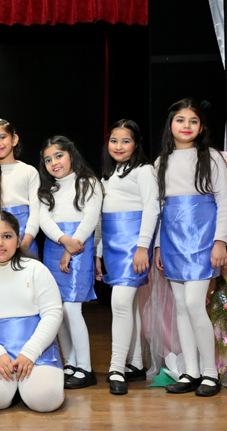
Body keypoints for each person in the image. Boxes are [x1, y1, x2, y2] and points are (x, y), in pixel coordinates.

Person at [154, 99, 227, 397]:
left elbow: (225, 201)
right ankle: (191, 371)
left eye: (193, 121)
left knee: (193, 304)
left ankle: (210, 373)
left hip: (203, 239)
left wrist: (220, 241)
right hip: (172, 240)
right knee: (181, 308)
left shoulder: (211, 157)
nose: (186, 125)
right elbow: (159, 208)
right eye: (180, 120)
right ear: (170, 125)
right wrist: (158, 246)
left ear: (201, 128)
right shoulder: (161, 162)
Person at [0, 210, 64, 412]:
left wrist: (30, 352)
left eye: (7, 236)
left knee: (45, 401)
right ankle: (15, 388)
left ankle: (27, 386)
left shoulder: (36, 269)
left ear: (18, 240)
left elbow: (53, 313)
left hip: (37, 348)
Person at [94, 119, 159, 395]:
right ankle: (136, 363)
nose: (118, 146)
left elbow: (152, 209)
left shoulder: (143, 171)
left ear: (136, 144)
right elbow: (100, 218)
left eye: (125, 141)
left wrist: (143, 247)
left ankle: (116, 368)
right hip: (112, 247)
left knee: (120, 303)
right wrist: (97, 253)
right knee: (129, 306)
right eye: (114, 140)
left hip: (134, 246)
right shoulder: (106, 177)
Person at [37, 136, 103, 389]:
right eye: (48, 159)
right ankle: (71, 364)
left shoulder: (89, 183)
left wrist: (71, 246)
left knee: (73, 309)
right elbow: (44, 220)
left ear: (71, 155)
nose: (54, 162)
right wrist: (63, 241)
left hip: (79, 247)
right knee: (59, 310)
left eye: (59, 156)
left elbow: (90, 219)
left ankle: (85, 368)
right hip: (54, 248)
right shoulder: (48, 190)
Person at [0, 119, 40, 257]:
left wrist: (25, 242)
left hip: (25, 239)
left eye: (2, 137)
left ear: (14, 139)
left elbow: (36, 211)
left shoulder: (29, 171)